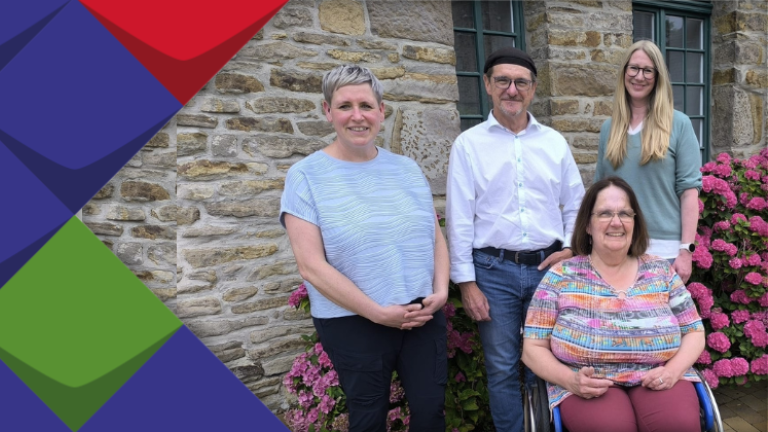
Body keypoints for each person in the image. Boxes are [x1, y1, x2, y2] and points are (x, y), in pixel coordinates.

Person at [280, 65, 449, 432]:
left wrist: (441, 290)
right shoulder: (306, 176)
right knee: (368, 417)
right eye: (344, 106)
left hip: (421, 314)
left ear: (381, 111)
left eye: (366, 105)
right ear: (328, 112)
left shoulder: (407, 169)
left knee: (430, 410)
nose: (357, 116)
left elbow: (433, 234)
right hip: (352, 321)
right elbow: (310, 266)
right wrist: (376, 312)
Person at [446, 46, 585, 432]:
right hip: (492, 273)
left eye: (520, 82)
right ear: (488, 85)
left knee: (552, 359)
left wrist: (571, 250)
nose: (512, 89)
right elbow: (459, 219)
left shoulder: (554, 143)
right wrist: (467, 284)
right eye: (503, 81)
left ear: (533, 89)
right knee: (503, 367)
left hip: (549, 270)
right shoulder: (469, 145)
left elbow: (576, 204)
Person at [522, 176, 706, 432]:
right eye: (605, 213)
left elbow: (694, 330)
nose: (616, 222)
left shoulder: (661, 271)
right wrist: (571, 380)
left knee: (677, 424)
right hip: (588, 383)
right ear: (587, 224)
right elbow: (532, 347)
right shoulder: (561, 275)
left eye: (625, 214)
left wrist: (672, 371)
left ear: (635, 222)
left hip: (658, 374)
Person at [595, 40, 702, 283]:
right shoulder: (609, 129)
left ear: (658, 77)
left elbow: (689, 193)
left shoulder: (679, 124)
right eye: (633, 68)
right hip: (615, 250)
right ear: (624, 73)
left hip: (663, 254)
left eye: (647, 70)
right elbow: (598, 191)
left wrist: (686, 250)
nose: (639, 77)